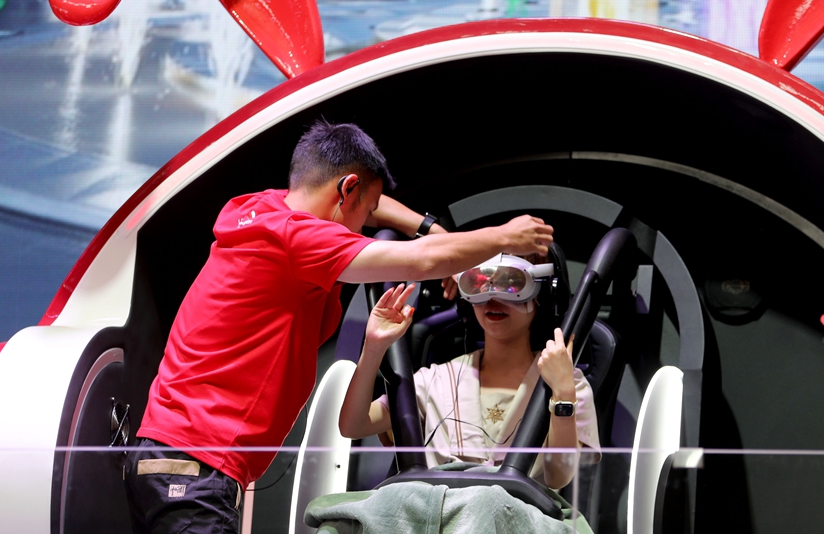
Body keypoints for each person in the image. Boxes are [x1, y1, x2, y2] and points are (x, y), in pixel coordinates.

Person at [124, 121, 554, 534]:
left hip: (161, 456)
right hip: (200, 468)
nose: (365, 222)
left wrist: (427, 226)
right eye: (364, 209)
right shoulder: (302, 240)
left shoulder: (259, 210)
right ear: (346, 188)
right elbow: (425, 261)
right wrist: (503, 236)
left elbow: (370, 204)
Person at [337, 255, 600, 491]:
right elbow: (353, 425)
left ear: (541, 294)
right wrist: (373, 349)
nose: (493, 298)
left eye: (511, 282)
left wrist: (563, 392)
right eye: (480, 282)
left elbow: (559, 477)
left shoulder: (568, 382)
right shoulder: (437, 380)